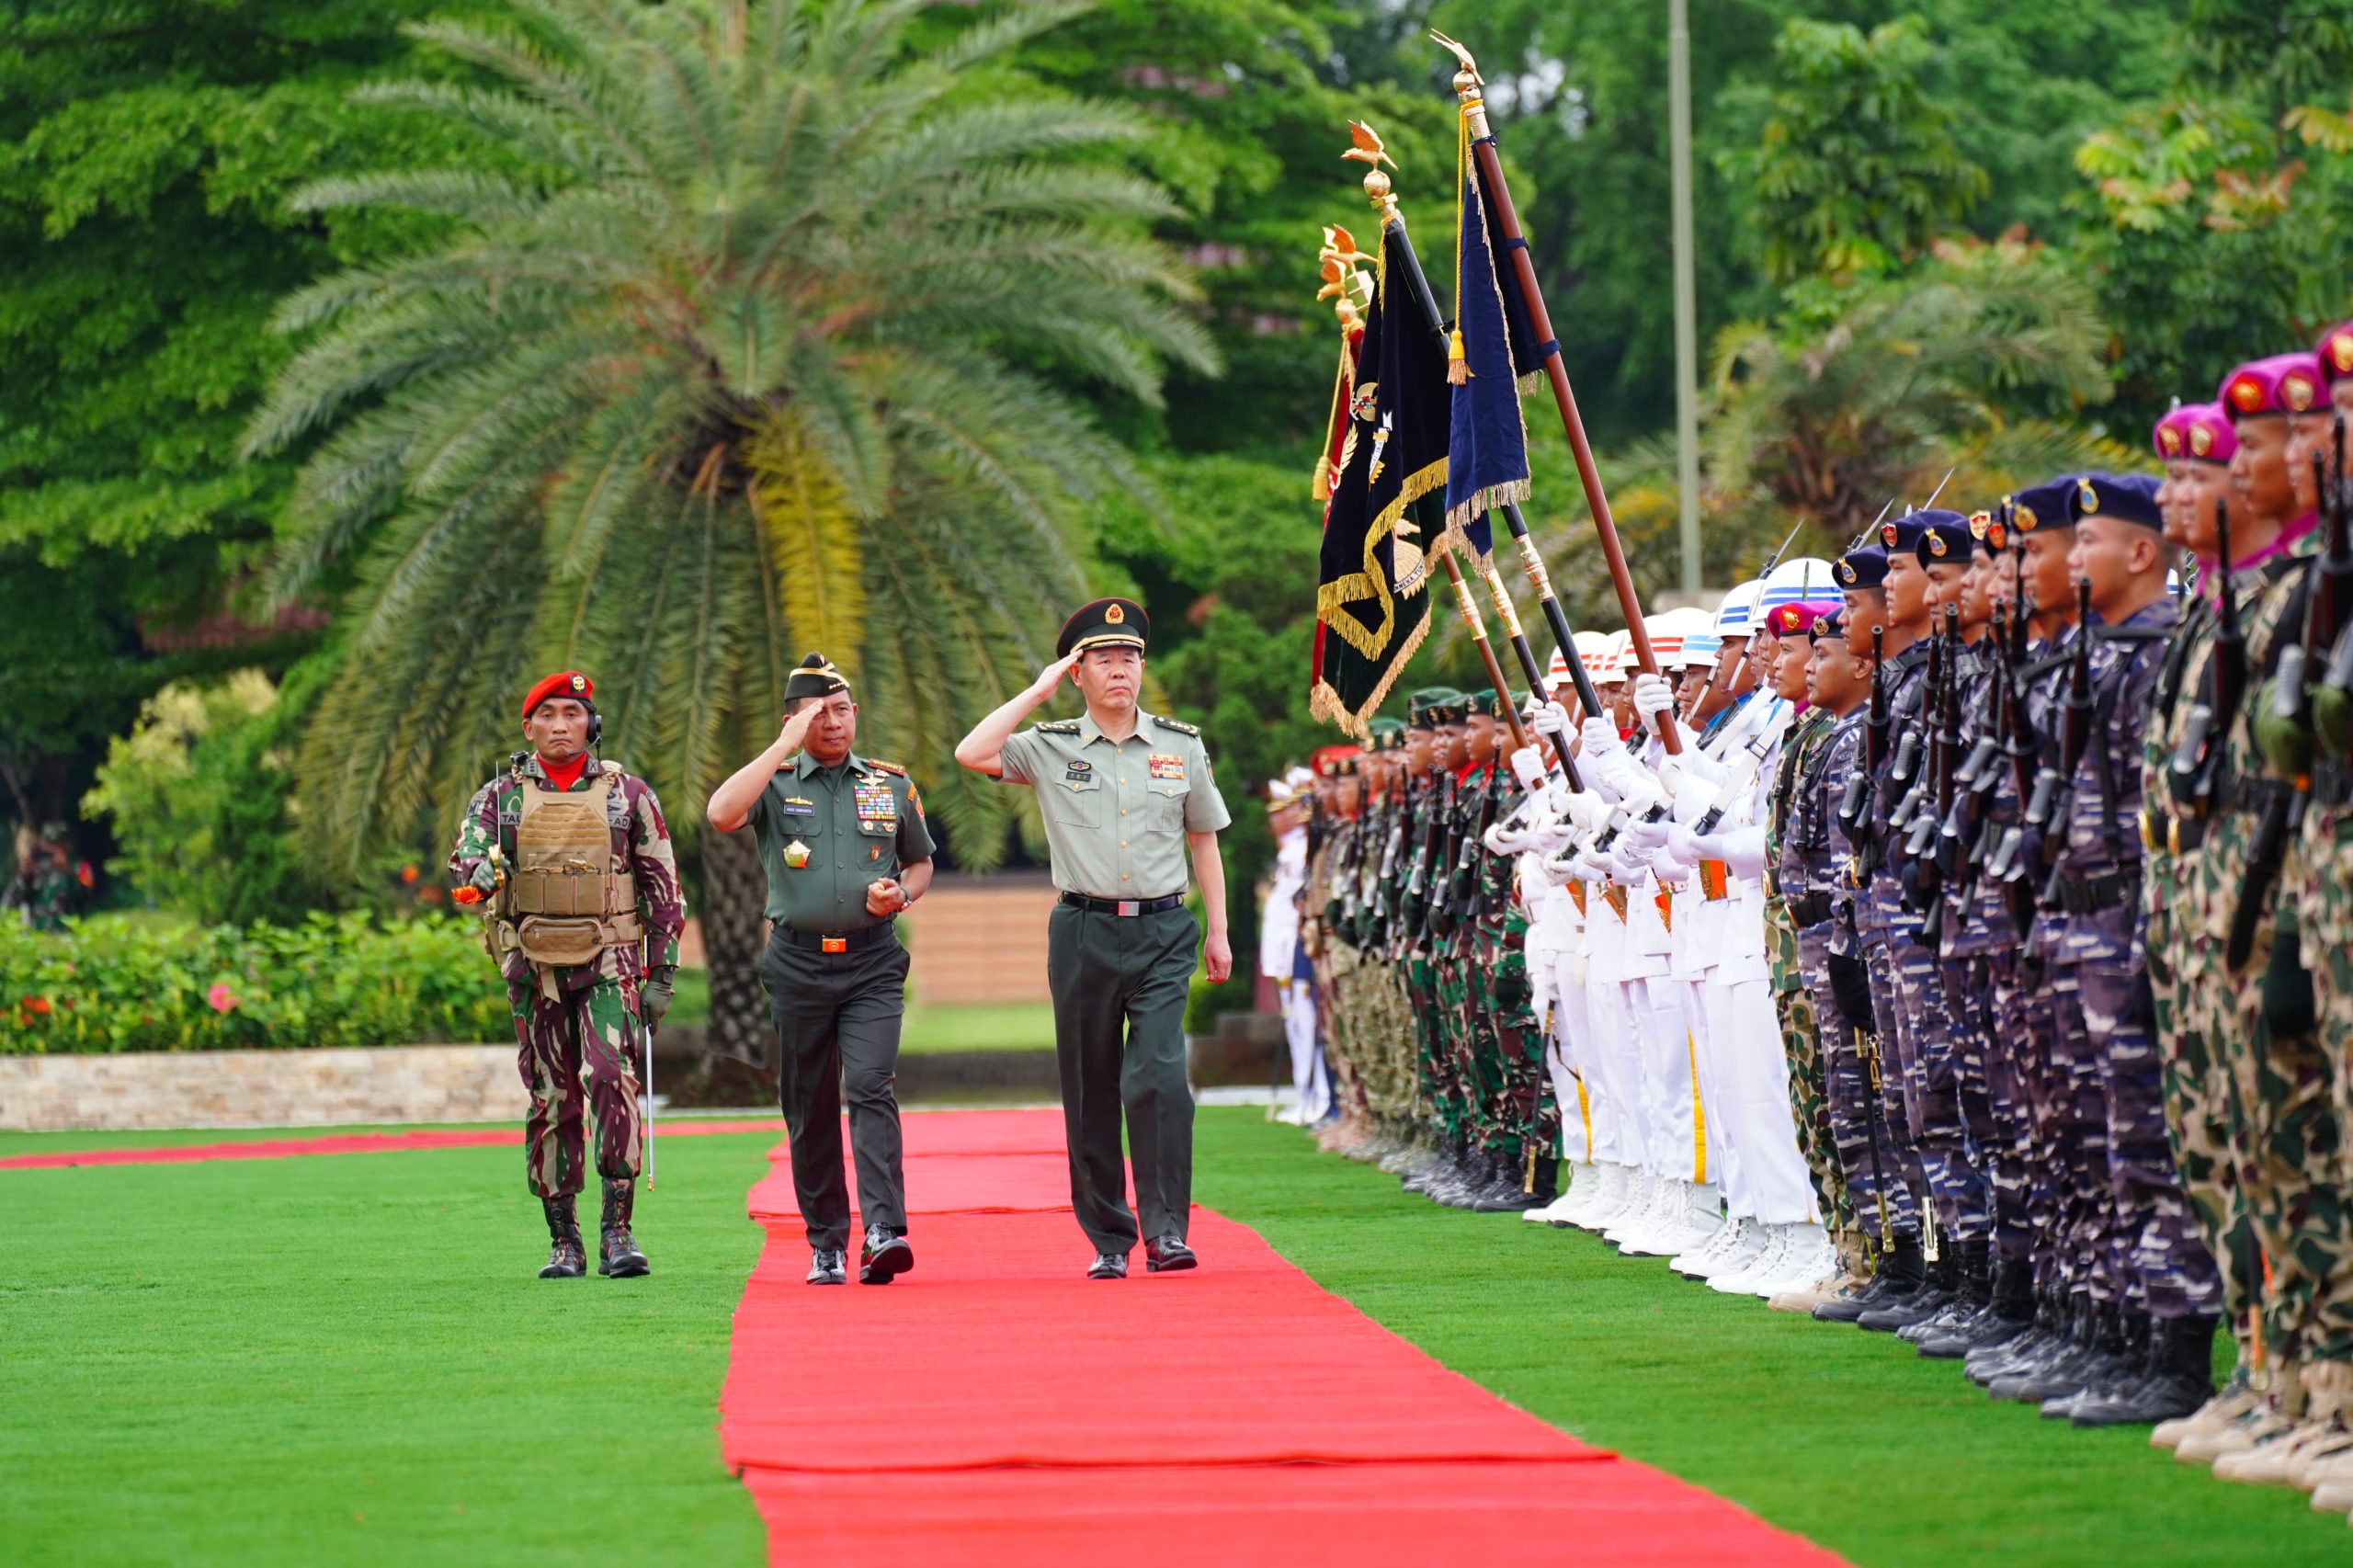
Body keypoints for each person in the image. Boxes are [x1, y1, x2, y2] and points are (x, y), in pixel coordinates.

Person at [954, 598, 1233, 1279]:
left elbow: (1205, 839)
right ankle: (1110, 1235)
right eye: (1103, 660)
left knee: (1162, 1077)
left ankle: (1167, 1232)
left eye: (1130, 658)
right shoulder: (1048, 746)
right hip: (1082, 928)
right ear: (1079, 672)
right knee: (1091, 1086)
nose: (1120, 671)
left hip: (1165, 928)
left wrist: (1218, 932)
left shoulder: (1180, 745)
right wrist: (1038, 688)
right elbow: (973, 752)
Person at [706, 653, 936, 1287]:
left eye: (841, 710)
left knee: (869, 1086)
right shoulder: (775, 782)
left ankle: (885, 1231)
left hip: (872, 963)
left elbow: (919, 862)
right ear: (793, 719)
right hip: (797, 964)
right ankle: (827, 1241)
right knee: (808, 1104)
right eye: (816, 713)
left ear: (855, 713)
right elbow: (721, 814)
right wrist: (782, 744)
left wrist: (904, 893)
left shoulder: (890, 784)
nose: (832, 723)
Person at [449, 671, 686, 1280]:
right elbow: (469, 858)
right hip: (533, 966)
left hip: (610, 958)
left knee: (612, 1078)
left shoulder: (627, 794)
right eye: (548, 714)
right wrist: (478, 875)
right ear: (528, 728)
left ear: (592, 724)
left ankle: (618, 1231)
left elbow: (663, 887)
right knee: (552, 1098)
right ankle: (564, 1240)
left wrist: (661, 975)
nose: (561, 725)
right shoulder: (498, 797)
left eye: (573, 714)